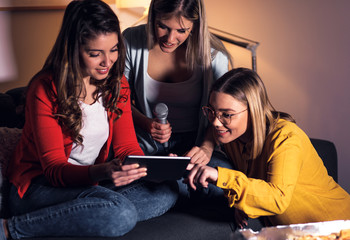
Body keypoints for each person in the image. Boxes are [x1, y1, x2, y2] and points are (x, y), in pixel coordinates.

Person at [0, 1, 177, 239]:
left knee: (168, 191)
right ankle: (10, 230)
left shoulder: (117, 83)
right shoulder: (44, 89)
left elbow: (126, 148)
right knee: (121, 213)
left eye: (114, 49)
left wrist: (150, 168)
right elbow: (53, 170)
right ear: (73, 49)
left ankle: (84, 215)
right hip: (39, 186)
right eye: (95, 53)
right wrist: (101, 172)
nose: (108, 62)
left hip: (91, 182)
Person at [186, 68, 350, 229]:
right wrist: (206, 147)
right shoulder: (231, 136)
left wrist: (221, 176)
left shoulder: (285, 138)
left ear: (254, 111)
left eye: (226, 115)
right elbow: (212, 131)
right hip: (292, 233)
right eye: (211, 111)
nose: (215, 122)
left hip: (337, 227)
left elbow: (277, 199)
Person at [123, 0, 233, 167]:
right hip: (146, 144)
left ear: (195, 26)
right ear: (152, 16)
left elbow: (223, 113)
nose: (170, 39)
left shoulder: (214, 55)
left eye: (181, 30)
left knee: (213, 185)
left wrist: (206, 147)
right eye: (163, 26)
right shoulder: (131, 40)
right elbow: (116, 97)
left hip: (198, 143)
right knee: (164, 192)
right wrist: (145, 123)